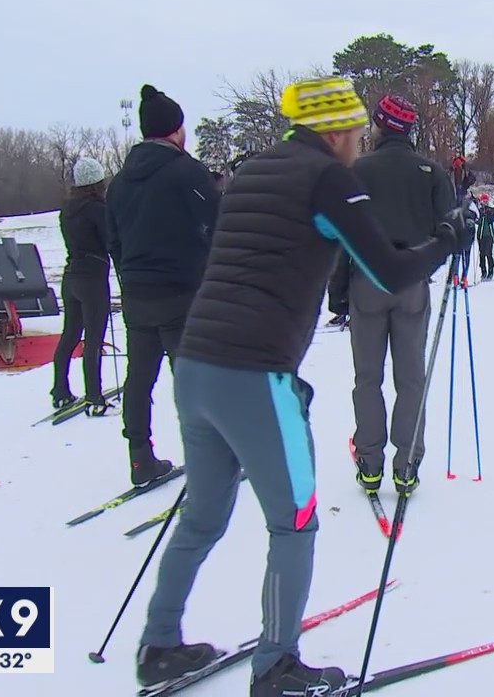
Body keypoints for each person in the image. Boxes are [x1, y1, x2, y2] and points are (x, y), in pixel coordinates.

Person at [133, 76, 471, 697]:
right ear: (338, 129)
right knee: (295, 522)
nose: (361, 139)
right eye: (357, 129)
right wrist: (450, 237)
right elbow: (390, 268)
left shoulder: (255, 169)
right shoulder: (327, 176)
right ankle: (278, 666)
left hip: (198, 364)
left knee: (203, 516)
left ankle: (159, 644)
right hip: (256, 374)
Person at [342, 93, 456, 497]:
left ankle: (370, 464)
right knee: (411, 378)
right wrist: (428, 267)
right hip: (411, 280)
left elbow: (341, 236)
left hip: (366, 280)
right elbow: (450, 230)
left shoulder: (356, 169)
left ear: (379, 123)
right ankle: (406, 465)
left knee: (367, 378)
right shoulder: (431, 172)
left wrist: (338, 294)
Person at [107, 84, 220, 486]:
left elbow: (114, 239)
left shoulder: (119, 184)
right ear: (176, 130)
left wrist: (130, 275)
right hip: (181, 290)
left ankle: (140, 458)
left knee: (139, 378)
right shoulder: (187, 172)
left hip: (137, 292)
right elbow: (217, 227)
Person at [51, 157, 115, 415]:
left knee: (70, 335)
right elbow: (110, 241)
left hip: (71, 275)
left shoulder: (67, 209)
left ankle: (60, 391)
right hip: (93, 278)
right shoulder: (97, 209)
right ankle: (94, 397)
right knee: (93, 340)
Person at [475, 194, 494, 281]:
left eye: (486, 201)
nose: (484, 203)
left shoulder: (491, 210)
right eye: (483, 202)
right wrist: (481, 217)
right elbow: (477, 221)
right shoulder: (479, 211)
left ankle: (491, 271)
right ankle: (483, 272)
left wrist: (488, 214)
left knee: (489, 253)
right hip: (480, 235)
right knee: (482, 254)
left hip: (489, 235)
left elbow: (493, 219)